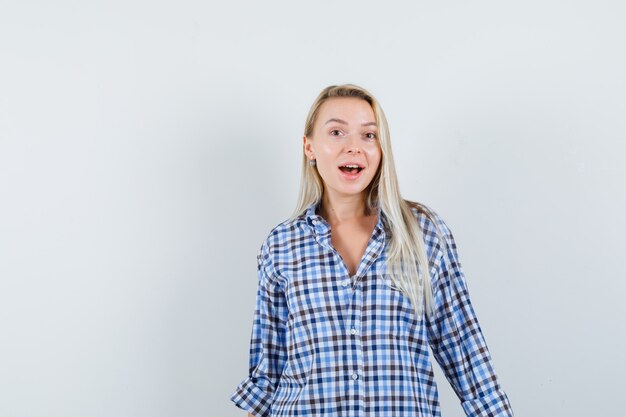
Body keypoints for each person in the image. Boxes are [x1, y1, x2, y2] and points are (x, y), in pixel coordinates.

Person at [229, 84, 513, 417]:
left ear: (382, 149)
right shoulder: (282, 245)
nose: (354, 147)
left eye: (369, 135)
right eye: (336, 132)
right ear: (309, 147)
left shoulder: (423, 233)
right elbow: (267, 374)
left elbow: (465, 353)